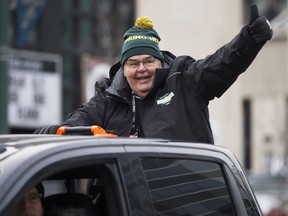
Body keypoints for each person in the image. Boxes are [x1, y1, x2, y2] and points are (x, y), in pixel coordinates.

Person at [34, 5, 273, 144]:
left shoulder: (184, 80)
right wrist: (51, 133)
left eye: (148, 61)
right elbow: (77, 124)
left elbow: (221, 63)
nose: (141, 69)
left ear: (160, 62)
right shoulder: (108, 98)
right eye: (133, 63)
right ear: (124, 69)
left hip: (184, 201)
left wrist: (250, 38)